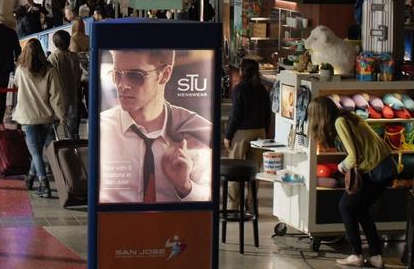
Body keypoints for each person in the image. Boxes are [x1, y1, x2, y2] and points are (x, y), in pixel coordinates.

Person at [98, 50, 213, 204]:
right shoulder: (102, 128)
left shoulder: (196, 130)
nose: (122, 85)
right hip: (118, 224)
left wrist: (185, 186)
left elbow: (209, 199)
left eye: (136, 75)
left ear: (165, 74)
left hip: (175, 226)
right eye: (117, 74)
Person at [309, 97, 394, 268]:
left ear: (319, 115)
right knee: (360, 210)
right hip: (384, 167)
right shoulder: (348, 117)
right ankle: (376, 256)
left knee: (345, 206)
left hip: (375, 169)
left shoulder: (340, 123)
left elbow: (353, 156)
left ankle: (356, 254)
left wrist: (341, 167)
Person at [12, 38, 66, 198]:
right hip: (46, 116)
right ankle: (30, 177)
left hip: (28, 117)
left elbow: (16, 84)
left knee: (35, 152)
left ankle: (44, 184)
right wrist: (61, 115)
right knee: (38, 150)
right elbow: (56, 95)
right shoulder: (50, 70)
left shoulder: (21, 70)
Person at [224, 59, 270, 208]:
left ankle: (233, 206)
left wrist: (228, 135)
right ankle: (251, 204)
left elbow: (236, 114)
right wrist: (265, 133)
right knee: (254, 170)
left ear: (242, 71)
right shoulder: (263, 89)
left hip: (242, 133)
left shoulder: (239, 89)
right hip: (260, 132)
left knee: (234, 169)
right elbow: (268, 113)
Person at [48, 30, 81, 139]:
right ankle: (74, 150)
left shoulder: (53, 58)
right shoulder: (74, 57)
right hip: (73, 95)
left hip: (58, 97)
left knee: (53, 128)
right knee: (72, 130)